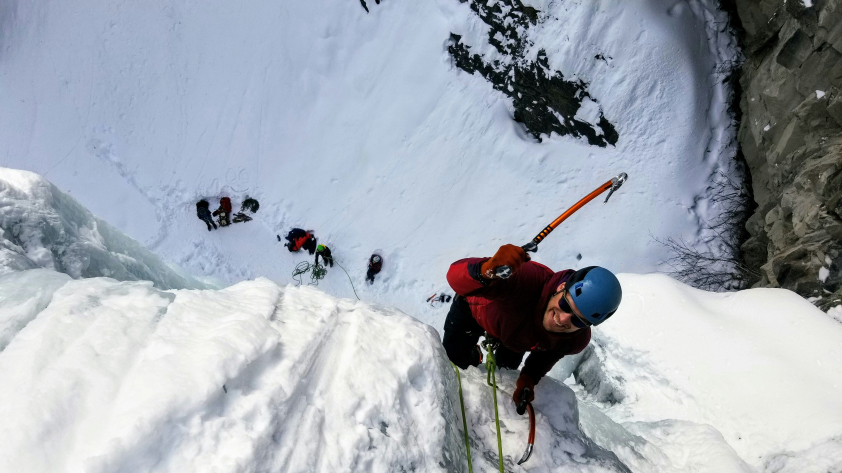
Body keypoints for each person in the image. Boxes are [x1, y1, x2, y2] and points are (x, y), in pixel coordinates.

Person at [444, 244, 622, 406]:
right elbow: (454, 277)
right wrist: (486, 271)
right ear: (561, 287)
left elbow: (548, 354)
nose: (563, 319)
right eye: (565, 305)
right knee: (454, 361)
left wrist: (529, 378)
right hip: (472, 311)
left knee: (504, 372)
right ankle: (473, 355)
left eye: (577, 320)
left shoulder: (575, 340)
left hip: (517, 339)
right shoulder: (525, 280)